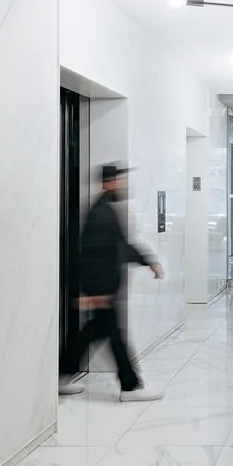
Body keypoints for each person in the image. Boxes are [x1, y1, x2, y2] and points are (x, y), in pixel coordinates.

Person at [59, 163, 164, 402]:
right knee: (114, 336)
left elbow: (120, 246)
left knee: (92, 333)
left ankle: (61, 375)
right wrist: (96, 292)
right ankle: (130, 386)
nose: (122, 184)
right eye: (118, 180)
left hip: (102, 287)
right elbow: (94, 254)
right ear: (108, 183)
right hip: (102, 288)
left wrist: (148, 261)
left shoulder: (105, 209)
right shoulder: (102, 214)